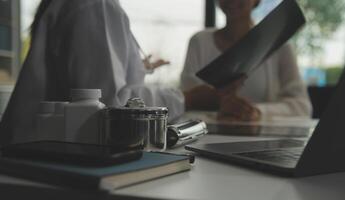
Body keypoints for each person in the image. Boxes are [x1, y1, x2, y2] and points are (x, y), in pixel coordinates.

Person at [0, 0, 218, 145]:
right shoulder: (96, 6)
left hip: (29, 154)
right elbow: (110, 107)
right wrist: (187, 98)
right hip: (43, 166)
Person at [181, 0, 312, 121]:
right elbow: (185, 103)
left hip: (263, 141)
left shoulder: (279, 45)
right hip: (206, 138)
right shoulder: (199, 42)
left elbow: (302, 107)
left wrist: (257, 112)